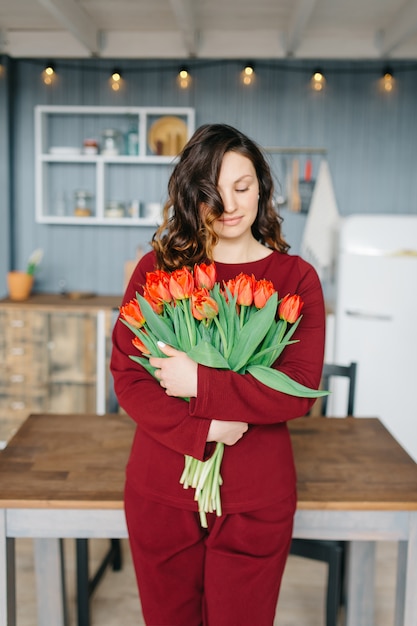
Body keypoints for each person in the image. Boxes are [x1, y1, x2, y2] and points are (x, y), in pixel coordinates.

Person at [110, 123, 326, 626]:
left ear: (262, 188)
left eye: (242, 186)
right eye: (212, 190)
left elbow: (297, 393)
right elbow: (129, 377)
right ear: (191, 195)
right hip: (161, 489)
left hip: (257, 496)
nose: (229, 204)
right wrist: (205, 428)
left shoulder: (295, 280)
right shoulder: (156, 271)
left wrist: (200, 385)